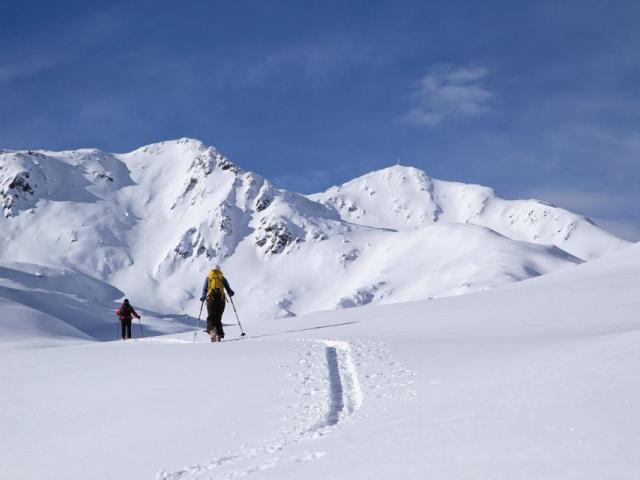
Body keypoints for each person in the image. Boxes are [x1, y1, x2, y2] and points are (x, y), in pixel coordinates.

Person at [200, 265, 235, 342]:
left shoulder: (208, 278)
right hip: (221, 299)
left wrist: (203, 297)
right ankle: (219, 334)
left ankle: (212, 331)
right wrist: (230, 293)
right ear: (219, 270)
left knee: (211, 317)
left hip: (210, 300)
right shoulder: (221, 277)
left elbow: (204, 289)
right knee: (218, 317)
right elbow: (228, 288)